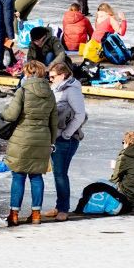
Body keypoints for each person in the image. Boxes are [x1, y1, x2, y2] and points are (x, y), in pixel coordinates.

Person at [1, 61, 56, 226]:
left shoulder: (23, 91)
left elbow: (11, 115)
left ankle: (14, 214)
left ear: (27, 73)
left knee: (18, 176)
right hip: (42, 139)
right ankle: (36, 214)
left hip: (22, 139)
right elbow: (54, 121)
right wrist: (51, 142)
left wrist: (5, 109)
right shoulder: (50, 93)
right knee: (36, 176)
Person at [48, 62, 86, 221]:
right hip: (57, 137)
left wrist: (67, 134)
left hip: (66, 140)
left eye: (52, 77)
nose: (50, 80)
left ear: (62, 76)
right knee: (58, 174)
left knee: (61, 174)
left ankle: (64, 209)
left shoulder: (72, 91)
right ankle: (59, 206)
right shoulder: (57, 89)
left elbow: (80, 115)